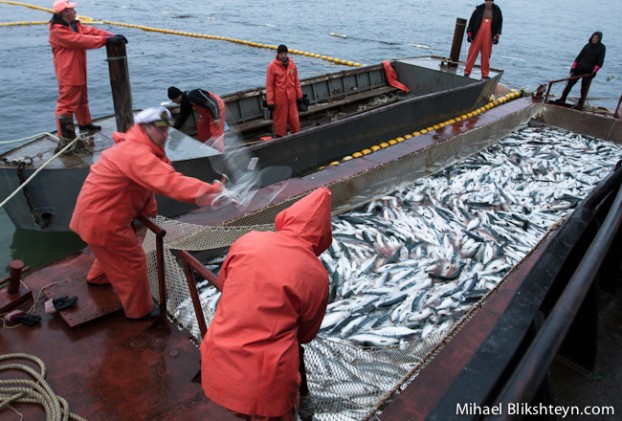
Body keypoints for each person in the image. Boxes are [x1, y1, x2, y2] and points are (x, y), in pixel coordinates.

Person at [69, 107, 226, 320]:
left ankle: (96, 279)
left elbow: (144, 187)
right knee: (133, 263)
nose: (165, 135)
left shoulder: (133, 148)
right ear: (145, 128)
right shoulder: (135, 153)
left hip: (94, 218)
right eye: (160, 129)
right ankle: (139, 314)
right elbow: (169, 181)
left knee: (109, 252)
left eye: (167, 129)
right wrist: (213, 192)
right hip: (105, 223)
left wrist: (150, 215)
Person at [200, 187, 333, 420]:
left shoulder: (248, 240)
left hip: (217, 364)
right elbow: (306, 334)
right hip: (267, 385)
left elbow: (224, 283)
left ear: (288, 217)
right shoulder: (317, 275)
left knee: (241, 409)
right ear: (322, 236)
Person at [49, 0, 128, 135]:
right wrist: (106, 40)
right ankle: (65, 137)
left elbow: (91, 31)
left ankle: (85, 124)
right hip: (68, 73)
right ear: (64, 13)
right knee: (66, 105)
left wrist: (110, 35)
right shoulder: (57, 32)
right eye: (72, 9)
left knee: (81, 99)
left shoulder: (74, 25)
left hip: (78, 70)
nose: (75, 12)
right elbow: (80, 40)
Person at [554, 32, 606, 110]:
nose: (594, 39)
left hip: (589, 72)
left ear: (599, 39)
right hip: (579, 69)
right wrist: (573, 67)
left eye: (596, 38)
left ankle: (580, 103)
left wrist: (594, 71)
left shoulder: (602, 48)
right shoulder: (587, 45)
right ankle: (562, 98)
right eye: (593, 37)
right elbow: (579, 57)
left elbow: (600, 61)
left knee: (584, 89)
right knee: (569, 84)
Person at [266, 44, 303, 137]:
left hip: (291, 98)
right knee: (280, 122)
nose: (283, 55)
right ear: (277, 54)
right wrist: (270, 101)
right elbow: (269, 85)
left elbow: (296, 81)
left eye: (285, 53)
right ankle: (280, 137)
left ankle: (296, 136)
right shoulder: (272, 66)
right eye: (281, 53)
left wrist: (299, 95)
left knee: (294, 120)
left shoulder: (292, 65)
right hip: (279, 99)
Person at [464, 0, 503, 79]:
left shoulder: (497, 10)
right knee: (472, 53)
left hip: (489, 35)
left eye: (490, 1)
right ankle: (467, 72)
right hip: (477, 33)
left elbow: (499, 24)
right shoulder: (478, 9)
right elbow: (471, 23)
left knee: (486, 54)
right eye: (487, 1)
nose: (489, 2)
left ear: (492, 1)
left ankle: (485, 74)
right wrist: (469, 35)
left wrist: (497, 36)